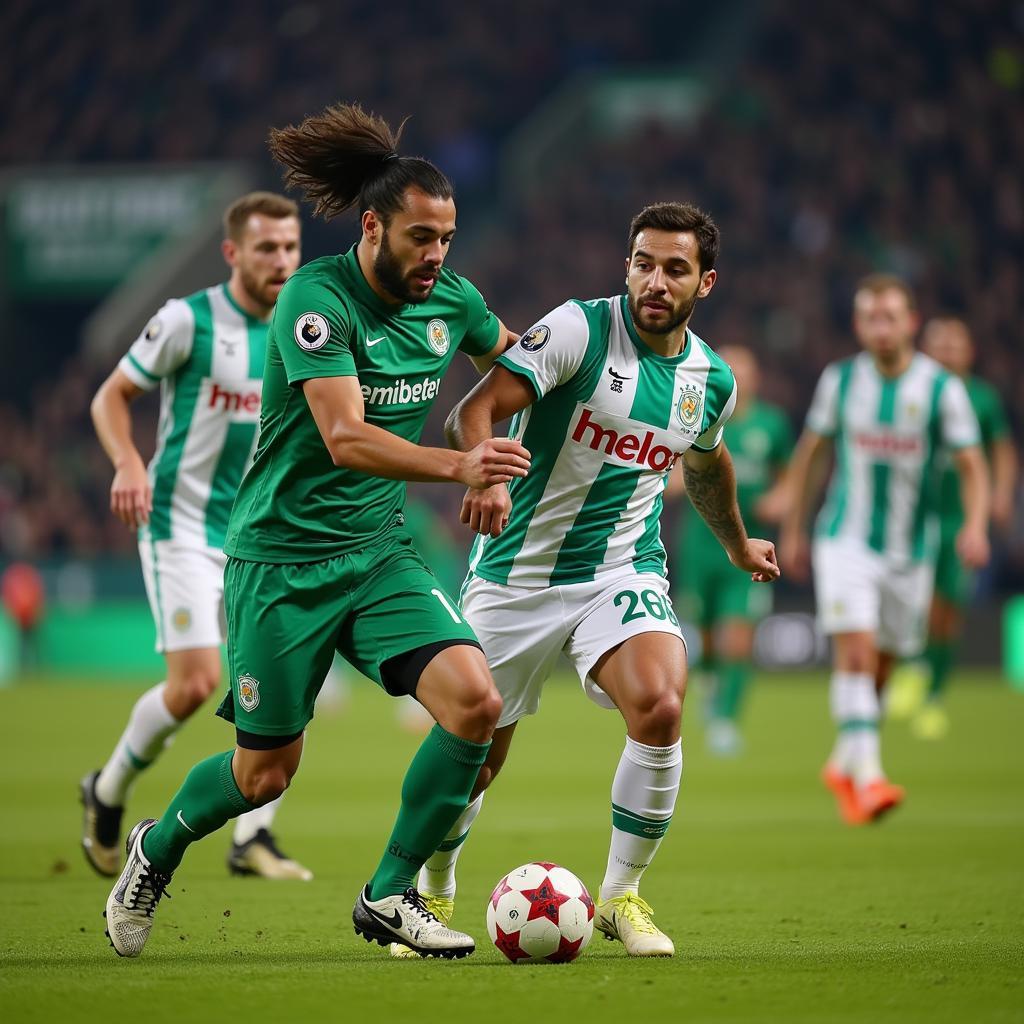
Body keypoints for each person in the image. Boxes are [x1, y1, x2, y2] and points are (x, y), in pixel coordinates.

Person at [102, 102, 530, 960]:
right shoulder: (313, 298)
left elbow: (522, 370)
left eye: (446, 237)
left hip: (377, 558)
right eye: (420, 237)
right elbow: (344, 436)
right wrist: (460, 471)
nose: (436, 255)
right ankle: (156, 847)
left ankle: (389, 894)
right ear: (372, 226)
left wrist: (492, 443)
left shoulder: (454, 300)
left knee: (477, 702)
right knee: (265, 773)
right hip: (280, 565)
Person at [392, 201, 780, 960]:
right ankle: (432, 890)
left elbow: (707, 463)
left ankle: (621, 896)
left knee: (662, 703)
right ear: (626, 265)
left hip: (620, 571)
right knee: (475, 756)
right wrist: (488, 474)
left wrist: (735, 544)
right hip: (516, 575)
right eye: (643, 262)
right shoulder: (577, 329)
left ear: (707, 282)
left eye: (675, 268)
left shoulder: (711, 379)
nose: (655, 280)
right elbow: (474, 411)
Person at [82, 192, 312, 881]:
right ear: (232, 253)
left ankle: (253, 839)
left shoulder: (309, 329)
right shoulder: (189, 320)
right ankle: (109, 788)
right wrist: (128, 461)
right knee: (195, 685)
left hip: (262, 536)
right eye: (266, 247)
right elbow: (109, 396)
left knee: (284, 680)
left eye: (291, 247)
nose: (281, 260)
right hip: (181, 525)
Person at [779, 276, 990, 826]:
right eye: (870, 317)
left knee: (882, 665)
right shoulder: (842, 380)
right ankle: (870, 776)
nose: (881, 327)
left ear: (910, 322)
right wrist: (797, 530)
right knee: (856, 651)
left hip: (912, 552)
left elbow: (973, 464)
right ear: (858, 325)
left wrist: (974, 525)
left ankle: (843, 759)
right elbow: (812, 455)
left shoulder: (942, 388)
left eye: (890, 316)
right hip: (844, 540)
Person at [888, 317, 1017, 738]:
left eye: (953, 345)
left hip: (959, 516)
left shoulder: (982, 398)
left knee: (948, 607)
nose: (945, 351)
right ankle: (912, 665)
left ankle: (934, 695)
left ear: (969, 352)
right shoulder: (912, 391)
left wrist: (999, 494)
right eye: (937, 344)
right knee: (912, 601)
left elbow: (1001, 450)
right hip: (912, 514)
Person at [671, 345, 793, 755]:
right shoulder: (692, 415)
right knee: (703, 638)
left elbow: (790, 478)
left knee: (738, 641)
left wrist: (780, 498)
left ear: (756, 379)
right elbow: (671, 474)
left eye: (744, 371)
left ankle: (725, 720)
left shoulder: (771, 425)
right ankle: (708, 685)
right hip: (698, 549)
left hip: (748, 547)